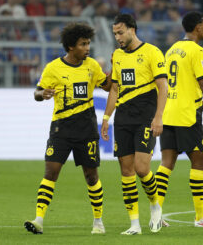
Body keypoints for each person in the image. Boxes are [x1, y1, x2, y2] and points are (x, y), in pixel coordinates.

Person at [24, 22, 111, 235]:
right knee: (51, 172)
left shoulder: (91, 66)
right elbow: (36, 92)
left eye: (88, 43)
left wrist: (115, 69)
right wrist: (42, 94)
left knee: (91, 176)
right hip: (61, 129)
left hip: (86, 129)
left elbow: (107, 86)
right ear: (71, 46)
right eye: (83, 44)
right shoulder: (53, 68)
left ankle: (98, 221)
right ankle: (39, 219)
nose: (88, 48)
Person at [155, 11, 203, 228]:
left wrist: (198, 100)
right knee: (199, 162)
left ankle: (156, 214)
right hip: (187, 115)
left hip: (169, 111)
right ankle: (200, 217)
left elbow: (179, 83)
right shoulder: (197, 51)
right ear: (197, 27)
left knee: (166, 163)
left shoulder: (172, 50)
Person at [101, 14, 168, 235]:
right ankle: (134, 224)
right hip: (123, 119)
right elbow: (114, 89)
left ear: (132, 29)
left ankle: (155, 205)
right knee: (126, 171)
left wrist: (158, 117)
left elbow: (163, 87)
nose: (117, 37)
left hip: (145, 118)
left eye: (120, 32)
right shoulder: (118, 56)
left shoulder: (152, 52)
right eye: (115, 34)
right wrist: (106, 118)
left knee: (141, 168)